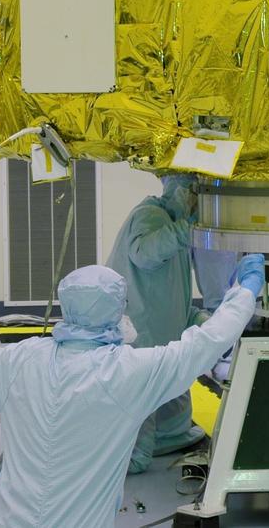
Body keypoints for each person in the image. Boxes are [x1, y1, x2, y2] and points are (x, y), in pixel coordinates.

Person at [0, 256, 265, 528]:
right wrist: (244, 292)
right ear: (115, 309)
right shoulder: (126, 373)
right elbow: (204, 345)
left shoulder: (20, 359)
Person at [106, 174, 211, 473]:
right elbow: (145, 255)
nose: (194, 201)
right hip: (143, 337)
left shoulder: (173, 226)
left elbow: (171, 290)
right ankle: (135, 454)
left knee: (169, 398)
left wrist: (195, 318)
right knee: (141, 400)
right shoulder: (150, 214)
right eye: (192, 192)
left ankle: (170, 437)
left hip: (162, 339)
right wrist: (185, 230)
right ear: (178, 190)